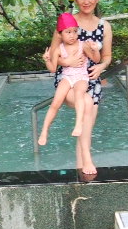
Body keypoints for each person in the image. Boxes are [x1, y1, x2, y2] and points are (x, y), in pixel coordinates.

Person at [43, 0, 112, 175]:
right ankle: (87, 160)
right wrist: (68, 62)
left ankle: (81, 170)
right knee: (86, 104)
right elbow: (53, 55)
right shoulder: (67, 22)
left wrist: (101, 67)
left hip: (91, 80)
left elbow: (107, 56)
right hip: (68, 79)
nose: (86, 1)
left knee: (86, 127)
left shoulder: (104, 26)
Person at [38, 13, 100, 146]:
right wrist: (47, 60)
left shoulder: (82, 45)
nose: (72, 35)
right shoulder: (58, 49)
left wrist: (95, 50)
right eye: (68, 32)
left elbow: (96, 60)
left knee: (79, 94)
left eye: (74, 31)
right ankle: (44, 130)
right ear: (60, 34)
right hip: (66, 77)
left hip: (81, 77)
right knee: (56, 102)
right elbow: (53, 69)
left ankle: (78, 124)